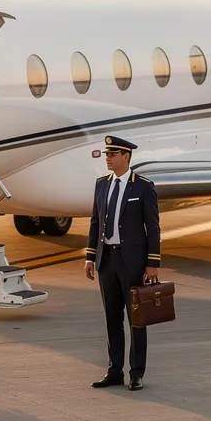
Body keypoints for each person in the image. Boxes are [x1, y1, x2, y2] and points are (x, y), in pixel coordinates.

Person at [84, 135, 161, 391]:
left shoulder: (143, 187)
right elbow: (96, 222)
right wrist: (90, 256)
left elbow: (153, 226)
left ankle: (137, 372)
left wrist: (153, 263)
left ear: (126, 156)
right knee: (112, 319)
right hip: (108, 261)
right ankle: (114, 370)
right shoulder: (101, 185)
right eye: (106, 154)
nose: (107, 158)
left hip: (133, 262)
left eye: (112, 154)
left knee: (136, 319)